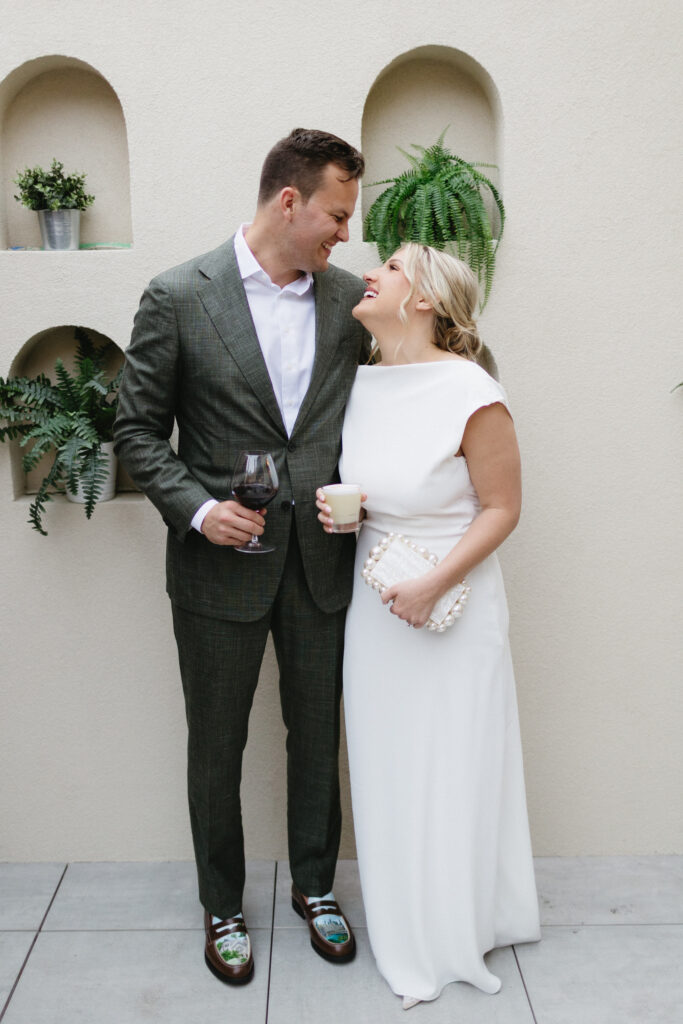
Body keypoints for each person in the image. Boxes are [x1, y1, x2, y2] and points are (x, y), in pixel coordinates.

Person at [114, 128, 371, 985]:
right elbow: (137, 431)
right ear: (287, 201)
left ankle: (314, 887)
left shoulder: (346, 304)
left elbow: (398, 383)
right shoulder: (178, 295)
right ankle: (221, 903)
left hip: (321, 563)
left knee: (315, 739)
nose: (344, 233)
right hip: (217, 571)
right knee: (216, 745)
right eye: (335, 215)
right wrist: (194, 509)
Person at [317, 243, 541, 1008]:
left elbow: (503, 507)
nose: (367, 270)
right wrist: (345, 515)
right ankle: (404, 911)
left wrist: (434, 582)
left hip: (452, 607)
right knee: (387, 763)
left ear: (421, 300)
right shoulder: (362, 383)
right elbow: (380, 491)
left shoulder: (471, 390)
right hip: (377, 607)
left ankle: (449, 928)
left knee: (450, 763)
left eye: (389, 266)